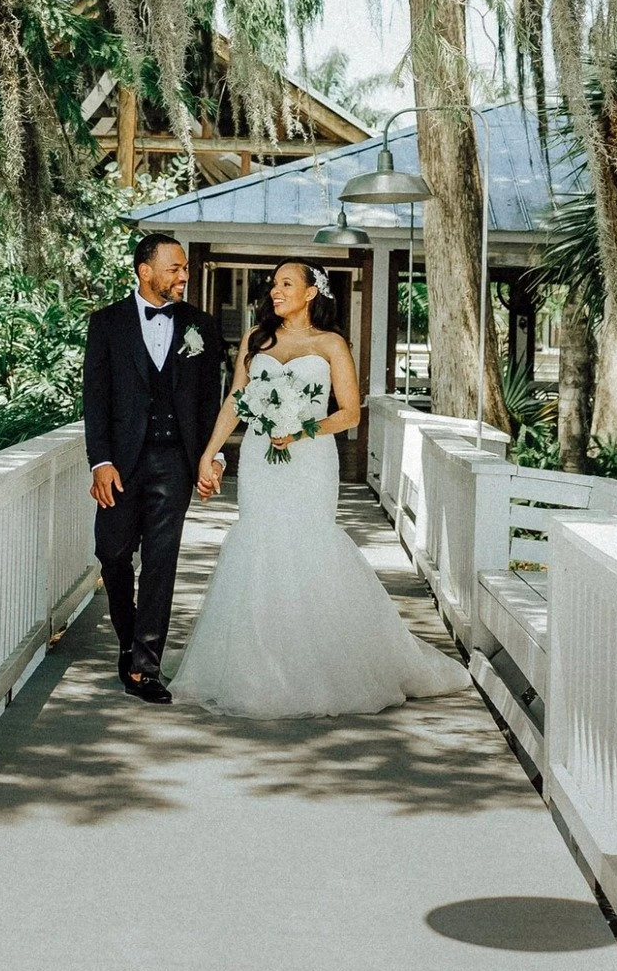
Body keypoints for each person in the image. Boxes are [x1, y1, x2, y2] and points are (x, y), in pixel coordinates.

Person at [170, 261, 472, 717]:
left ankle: (317, 662)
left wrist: (301, 429)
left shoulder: (331, 343)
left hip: (310, 459)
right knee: (258, 541)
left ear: (311, 293)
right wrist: (209, 453)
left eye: (286, 284)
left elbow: (349, 413)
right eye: (274, 284)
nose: (275, 291)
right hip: (260, 457)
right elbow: (236, 399)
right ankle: (258, 664)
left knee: (307, 542)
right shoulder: (256, 339)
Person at [82, 233, 225, 703]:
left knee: (161, 562)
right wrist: (101, 461)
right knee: (112, 553)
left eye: (185, 268)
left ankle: (145, 667)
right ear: (145, 271)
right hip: (121, 463)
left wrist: (213, 456)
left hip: (175, 461)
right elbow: (95, 399)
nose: (184, 276)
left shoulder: (201, 326)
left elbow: (209, 401)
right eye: (174, 268)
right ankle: (128, 641)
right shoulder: (107, 323)